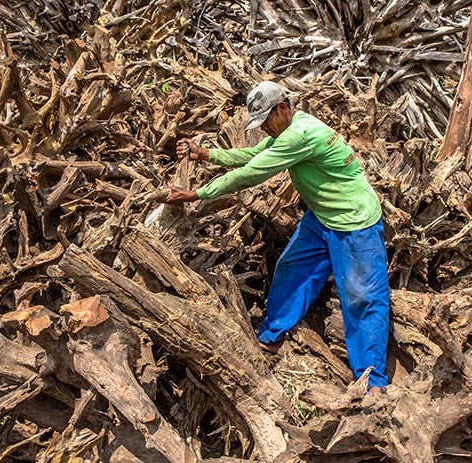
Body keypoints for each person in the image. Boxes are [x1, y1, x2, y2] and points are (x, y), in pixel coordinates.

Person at [161, 81, 390, 394]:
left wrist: (198, 194)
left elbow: (253, 173)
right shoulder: (288, 130)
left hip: (354, 222)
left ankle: (372, 383)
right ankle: (270, 337)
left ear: (283, 108)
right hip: (323, 217)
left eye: (266, 121)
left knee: (362, 298)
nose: (265, 129)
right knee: (292, 270)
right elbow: (256, 153)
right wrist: (208, 154)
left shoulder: (301, 134)